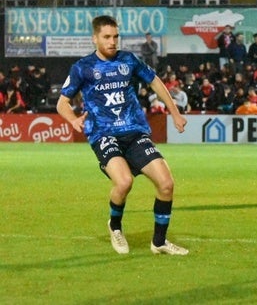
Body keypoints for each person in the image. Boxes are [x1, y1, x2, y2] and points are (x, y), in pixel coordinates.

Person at [56, 15, 188, 256]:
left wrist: (175, 113)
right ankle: (115, 226)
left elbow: (156, 82)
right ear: (94, 38)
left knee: (166, 184)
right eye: (107, 37)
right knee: (125, 182)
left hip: (134, 131)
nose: (113, 41)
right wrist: (73, 119)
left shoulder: (128, 60)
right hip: (104, 134)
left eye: (116, 36)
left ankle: (159, 242)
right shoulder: (82, 67)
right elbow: (62, 103)